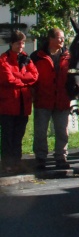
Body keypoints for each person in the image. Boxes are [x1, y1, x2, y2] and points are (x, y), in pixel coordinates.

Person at [30, 28, 72, 170]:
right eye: (60, 38)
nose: (62, 41)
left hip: (62, 100)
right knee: (40, 131)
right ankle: (41, 158)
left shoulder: (68, 57)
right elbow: (32, 77)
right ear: (51, 39)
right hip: (43, 99)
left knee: (62, 131)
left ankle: (61, 157)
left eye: (63, 38)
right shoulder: (37, 56)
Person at [0, 30, 39, 173]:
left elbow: (35, 76)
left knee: (18, 136)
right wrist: (24, 80)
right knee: (8, 137)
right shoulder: (3, 59)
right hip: (8, 105)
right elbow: (7, 79)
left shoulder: (26, 58)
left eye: (22, 43)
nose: (21, 45)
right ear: (11, 44)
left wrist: (18, 78)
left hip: (23, 104)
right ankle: (7, 163)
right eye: (18, 43)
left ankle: (17, 161)